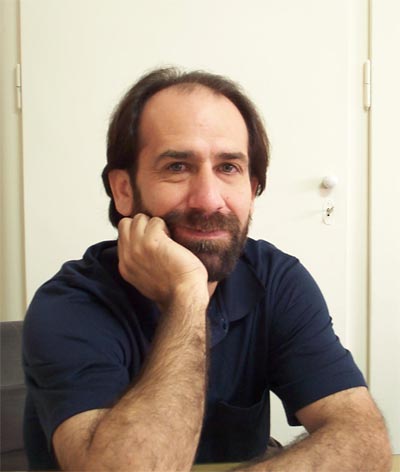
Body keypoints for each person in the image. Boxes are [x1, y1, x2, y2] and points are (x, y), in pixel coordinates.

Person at [23, 67, 392, 471]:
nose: (209, 199)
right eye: (177, 166)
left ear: (252, 189)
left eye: (228, 167)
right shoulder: (69, 305)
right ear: (124, 190)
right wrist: (187, 296)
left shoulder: (277, 280)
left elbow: (363, 439)